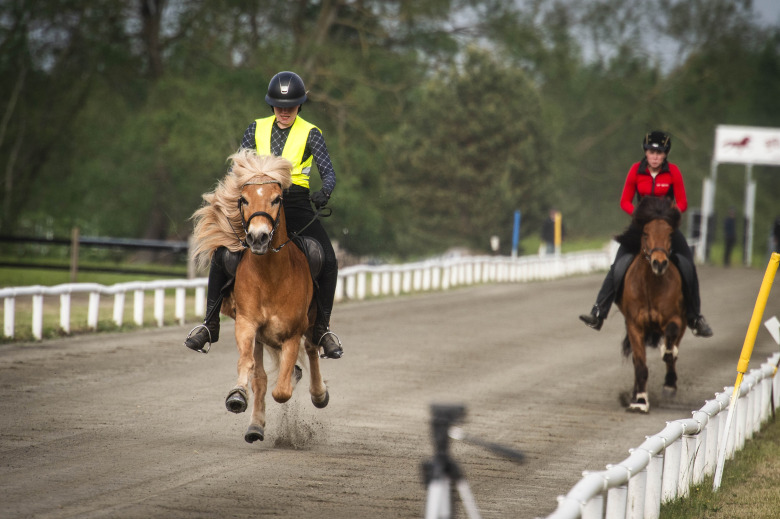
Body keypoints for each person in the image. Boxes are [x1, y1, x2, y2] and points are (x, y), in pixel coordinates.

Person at [184, 71, 343, 359]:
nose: (284, 112)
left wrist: (325, 191)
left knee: (328, 259)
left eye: (291, 106)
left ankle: (321, 328)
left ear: (300, 106)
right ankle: (209, 323)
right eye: (280, 106)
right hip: (259, 205)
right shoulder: (255, 128)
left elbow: (328, 172)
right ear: (272, 105)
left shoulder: (311, 133)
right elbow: (239, 167)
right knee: (223, 255)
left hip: (294, 204)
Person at [579, 131, 713, 337]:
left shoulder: (673, 172)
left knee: (688, 266)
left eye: (660, 153)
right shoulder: (635, 170)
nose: (655, 156)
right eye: (651, 152)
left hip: (666, 228)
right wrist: (640, 216)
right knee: (618, 266)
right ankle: (598, 311)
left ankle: (695, 317)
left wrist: (667, 217)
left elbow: (683, 202)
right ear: (646, 152)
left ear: (666, 154)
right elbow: (624, 200)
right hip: (640, 228)